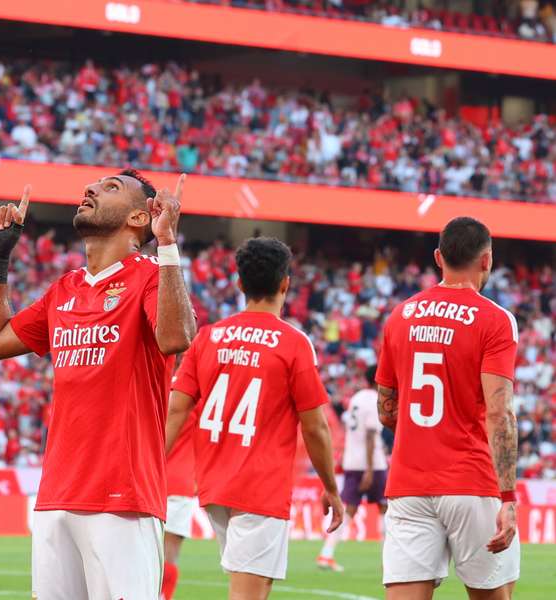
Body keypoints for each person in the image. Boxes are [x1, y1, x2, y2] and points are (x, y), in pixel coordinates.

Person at [0, 171, 197, 599]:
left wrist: (168, 243)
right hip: (56, 494)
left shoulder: (150, 275)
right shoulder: (65, 288)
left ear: (139, 216)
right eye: (92, 185)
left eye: (111, 187)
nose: (91, 189)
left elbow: (176, 338)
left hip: (123, 500)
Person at [165, 237, 343, 600]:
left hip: (214, 485)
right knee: (249, 593)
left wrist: (153, 465)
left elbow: (177, 409)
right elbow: (315, 425)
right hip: (260, 486)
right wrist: (331, 488)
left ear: (240, 283)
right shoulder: (293, 343)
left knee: (255, 589)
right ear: (285, 283)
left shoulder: (208, 338)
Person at [375, 216, 519, 599]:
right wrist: (508, 498)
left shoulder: (400, 315)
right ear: (486, 260)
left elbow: (386, 409)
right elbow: (499, 413)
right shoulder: (495, 320)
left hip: (409, 482)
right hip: (471, 481)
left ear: (439, 257)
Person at [317, 365, 389, 572]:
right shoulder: (374, 400)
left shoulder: (356, 398)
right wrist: (368, 469)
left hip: (352, 461)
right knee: (385, 509)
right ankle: (389, 560)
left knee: (349, 509)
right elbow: (369, 434)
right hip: (372, 464)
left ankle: (326, 554)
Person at [161, 412, 198, 600]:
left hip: (147, 480)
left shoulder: (148, 387)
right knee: (169, 555)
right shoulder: (194, 392)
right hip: (179, 482)